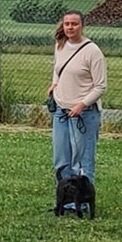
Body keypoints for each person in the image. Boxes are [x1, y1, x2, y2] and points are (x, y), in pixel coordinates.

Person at [46, 11, 108, 189]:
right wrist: (54, 84)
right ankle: (65, 194)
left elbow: (100, 86)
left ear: (82, 26)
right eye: (67, 24)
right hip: (61, 109)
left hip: (83, 113)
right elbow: (58, 68)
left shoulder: (92, 51)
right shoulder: (60, 45)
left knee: (82, 159)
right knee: (61, 158)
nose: (70, 27)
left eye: (74, 24)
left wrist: (82, 104)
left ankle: (83, 197)